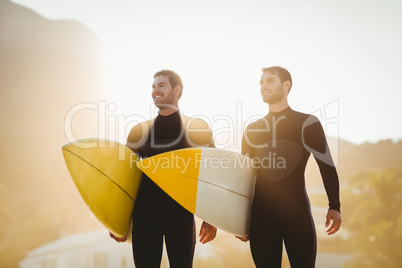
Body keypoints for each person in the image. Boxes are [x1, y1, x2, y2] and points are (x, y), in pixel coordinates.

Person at [110, 70, 217, 267]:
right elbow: (125, 176)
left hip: (181, 214)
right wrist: (117, 220)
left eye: (161, 85)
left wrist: (213, 217)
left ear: (176, 90)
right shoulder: (139, 131)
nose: (155, 91)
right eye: (153, 87)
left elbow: (212, 172)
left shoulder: (197, 127)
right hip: (144, 216)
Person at [238, 66, 342, 267]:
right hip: (261, 218)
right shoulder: (252, 129)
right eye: (261, 82)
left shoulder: (307, 123)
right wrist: (240, 219)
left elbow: (326, 166)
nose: (263, 86)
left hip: (297, 216)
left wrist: (334, 206)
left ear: (286, 86)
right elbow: (244, 177)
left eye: (269, 81)